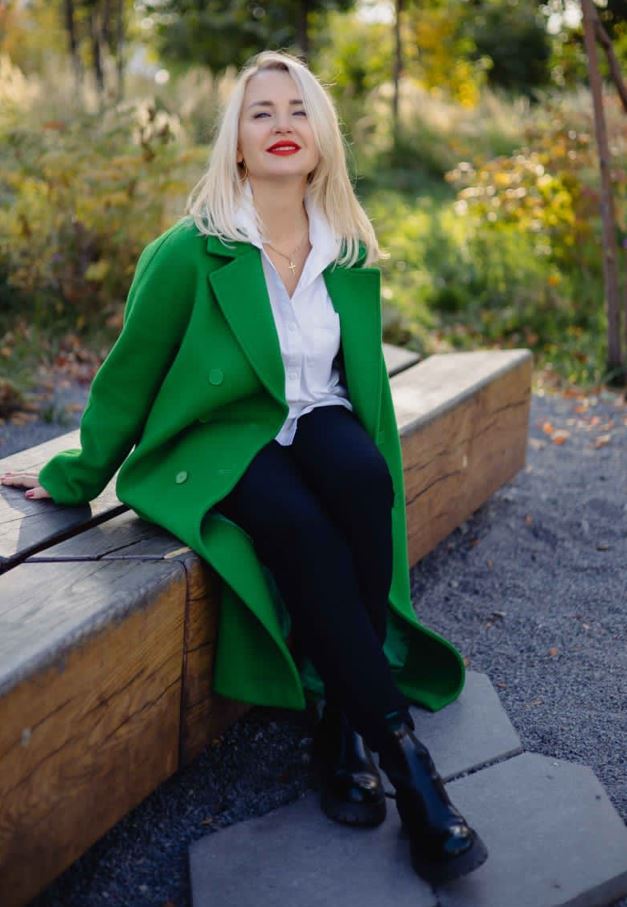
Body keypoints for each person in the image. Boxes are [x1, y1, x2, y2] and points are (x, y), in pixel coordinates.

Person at [0, 50, 487, 883]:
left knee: (366, 483)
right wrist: (77, 473)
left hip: (314, 416)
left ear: (323, 137)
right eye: (261, 112)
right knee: (297, 525)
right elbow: (129, 377)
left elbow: (354, 387)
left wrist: (354, 454)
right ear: (235, 143)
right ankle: (411, 773)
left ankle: (340, 722)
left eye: (298, 109)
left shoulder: (349, 251)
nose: (282, 125)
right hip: (219, 437)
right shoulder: (191, 251)